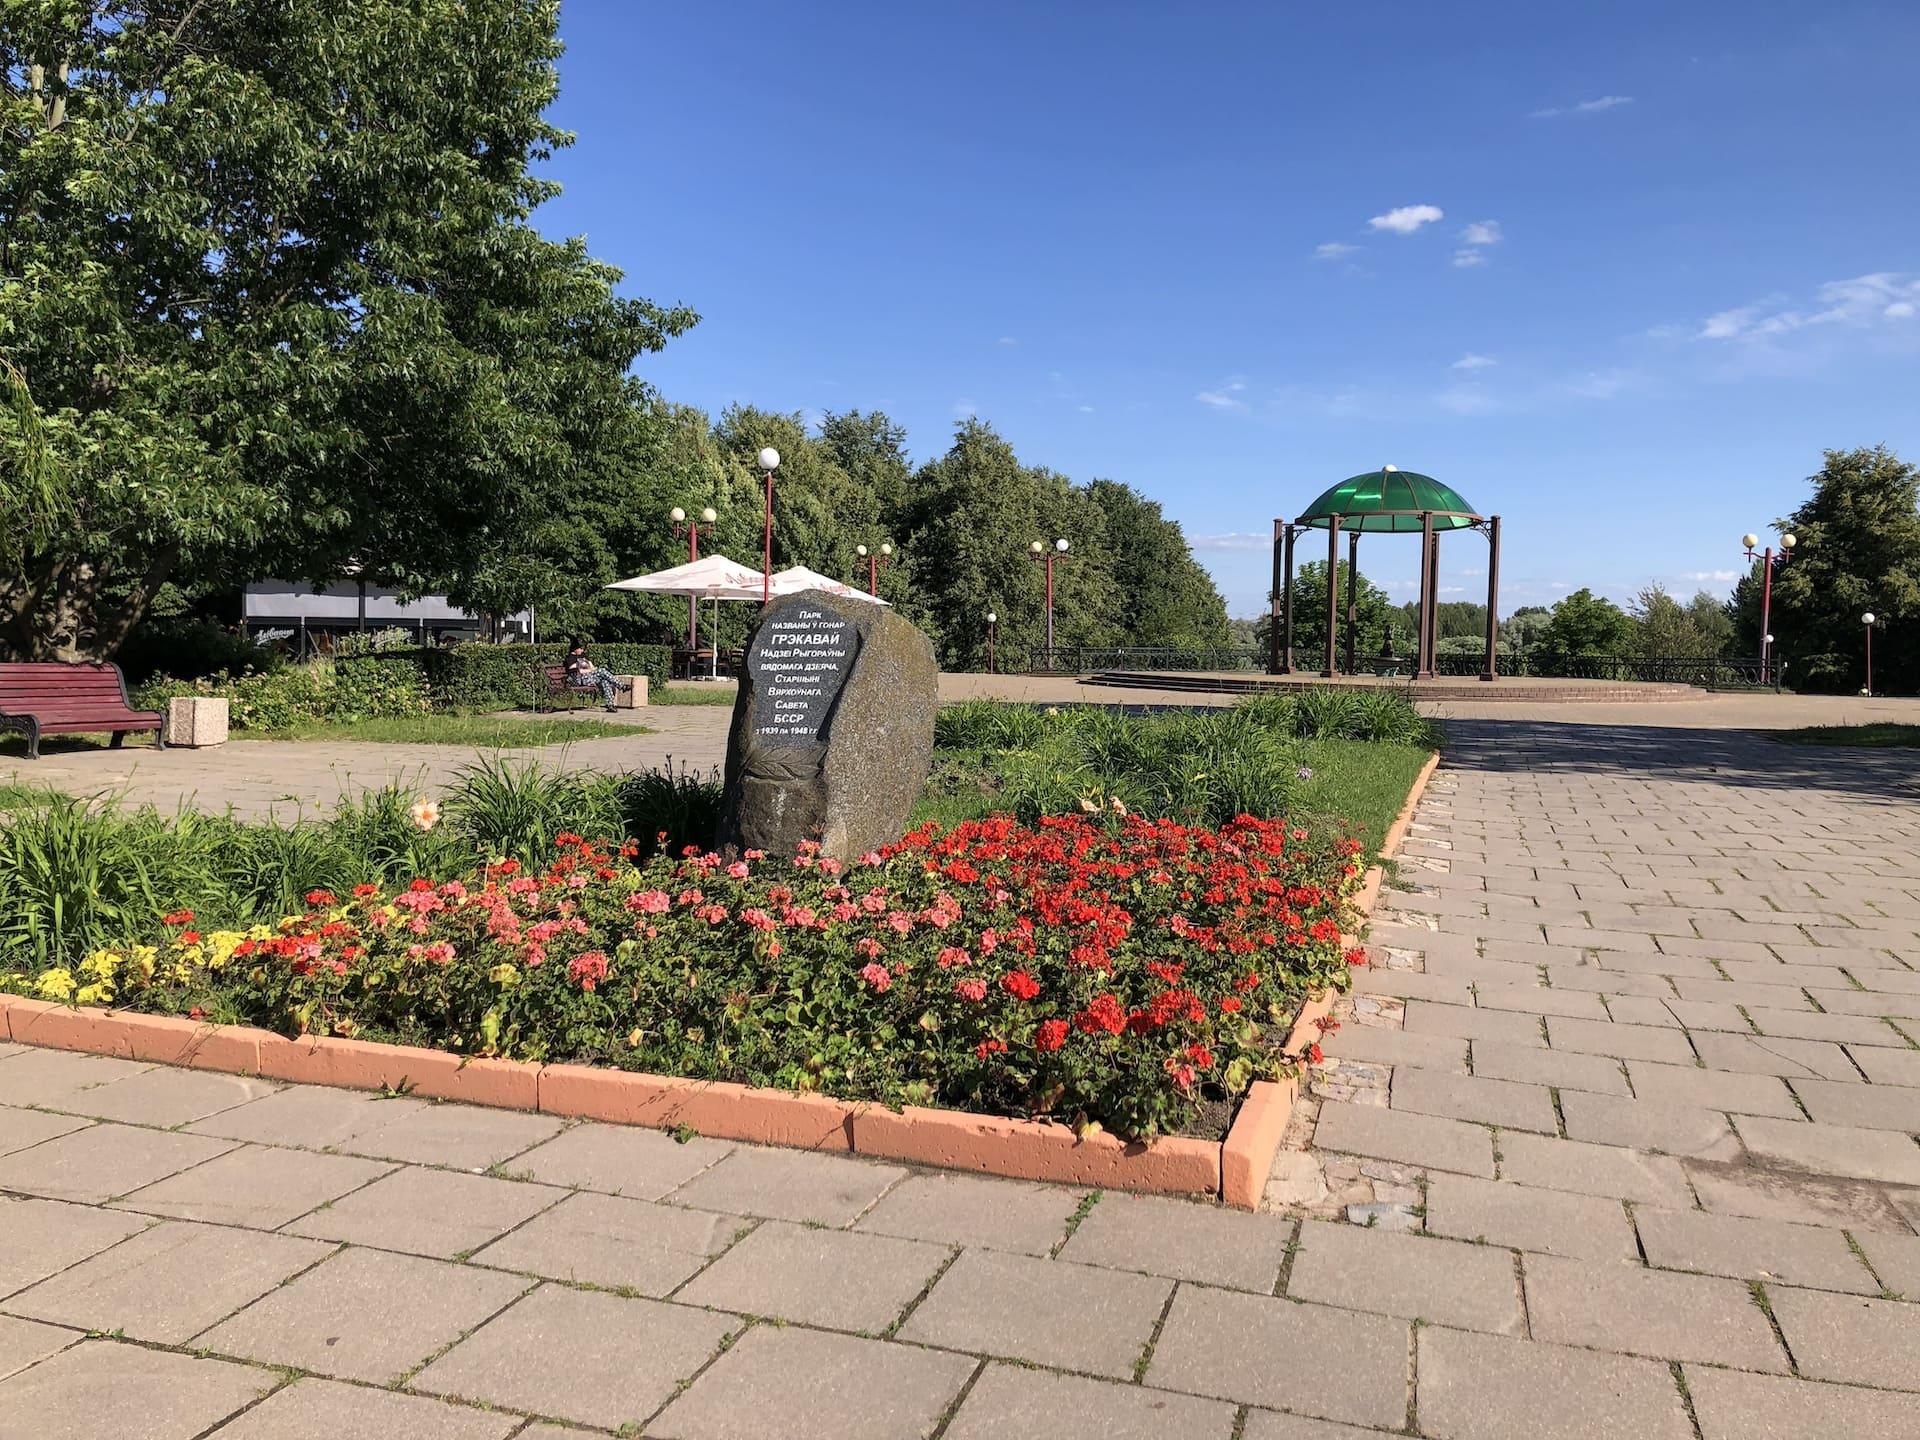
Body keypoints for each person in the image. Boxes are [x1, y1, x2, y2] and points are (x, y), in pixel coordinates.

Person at [565, 639, 631, 712]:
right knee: (602, 670)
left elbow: (592, 666)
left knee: (604, 681)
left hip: (588, 677)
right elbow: (579, 671)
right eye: (580, 648)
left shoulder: (583, 655)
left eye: (583, 648)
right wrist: (589, 669)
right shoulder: (569, 658)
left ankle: (610, 705)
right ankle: (621, 686)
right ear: (575, 648)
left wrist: (589, 669)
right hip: (579, 679)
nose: (582, 650)